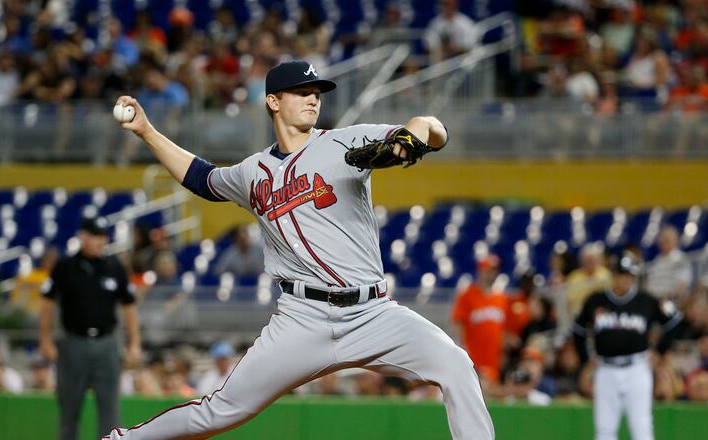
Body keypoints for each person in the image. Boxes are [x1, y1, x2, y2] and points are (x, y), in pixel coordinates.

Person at [107, 59, 493, 439]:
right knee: (221, 412)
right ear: (273, 101)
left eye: (316, 93)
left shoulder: (345, 141)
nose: (313, 99)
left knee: (455, 365)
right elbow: (203, 179)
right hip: (301, 319)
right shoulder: (251, 172)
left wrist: (413, 136)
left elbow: (431, 127)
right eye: (302, 92)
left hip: (372, 313)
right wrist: (146, 131)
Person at [39, 217, 141, 440]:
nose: (100, 241)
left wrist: (134, 343)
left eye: (103, 236)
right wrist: (45, 339)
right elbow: (47, 304)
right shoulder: (65, 267)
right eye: (95, 235)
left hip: (106, 344)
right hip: (73, 343)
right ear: (83, 236)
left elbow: (129, 305)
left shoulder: (114, 267)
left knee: (110, 409)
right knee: (69, 408)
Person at [571, 252, 683, 440]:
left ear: (633, 277)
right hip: (605, 368)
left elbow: (675, 322)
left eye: (627, 275)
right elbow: (578, 329)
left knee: (641, 427)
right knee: (605, 429)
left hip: (636, 368)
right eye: (619, 274)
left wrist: (660, 350)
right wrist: (585, 359)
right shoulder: (596, 300)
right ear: (612, 275)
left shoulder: (645, 300)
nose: (622, 279)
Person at [451, 254, 509, 383]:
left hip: (494, 361)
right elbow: (457, 325)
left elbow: (502, 330)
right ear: (481, 271)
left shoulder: (502, 298)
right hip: (472, 359)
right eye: (489, 270)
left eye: (495, 271)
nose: (492, 274)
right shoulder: (467, 295)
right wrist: (461, 351)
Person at [644, 225, 693, 302]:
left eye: (667, 240)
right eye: (661, 240)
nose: (663, 243)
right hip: (653, 301)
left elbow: (682, 285)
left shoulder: (681, 259)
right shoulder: (657, 260)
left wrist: (667, 298)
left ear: (676, 241)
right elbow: (648, 284)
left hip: (672, 301)